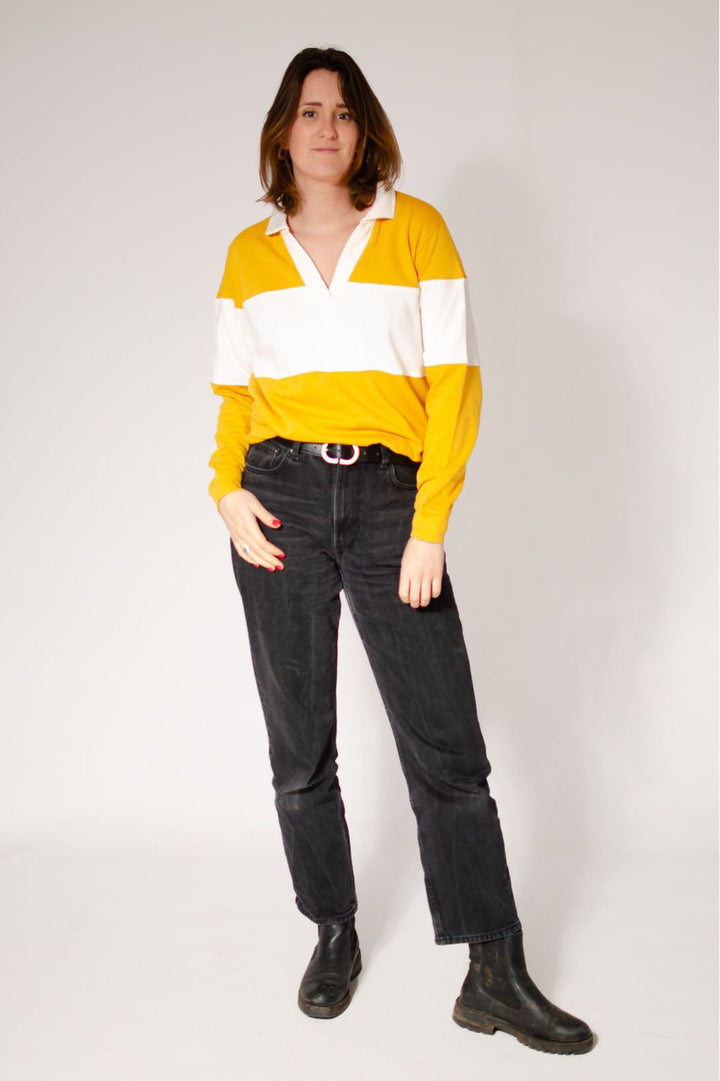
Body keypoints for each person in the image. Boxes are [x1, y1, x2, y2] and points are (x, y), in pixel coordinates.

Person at [208, 46, 594, 1055]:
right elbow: (235, 397)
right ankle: (333, 929)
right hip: (278, 499)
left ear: (364, 127)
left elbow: (455, 381)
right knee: (299, 749)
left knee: (447, 751)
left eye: (342, 111)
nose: (325, 128)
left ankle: (494, 969)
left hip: (388, 499)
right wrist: (226, 490)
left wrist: (429, 522)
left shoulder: (416, 228)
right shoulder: (249, 254)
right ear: (282, 130)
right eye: (308, 111)